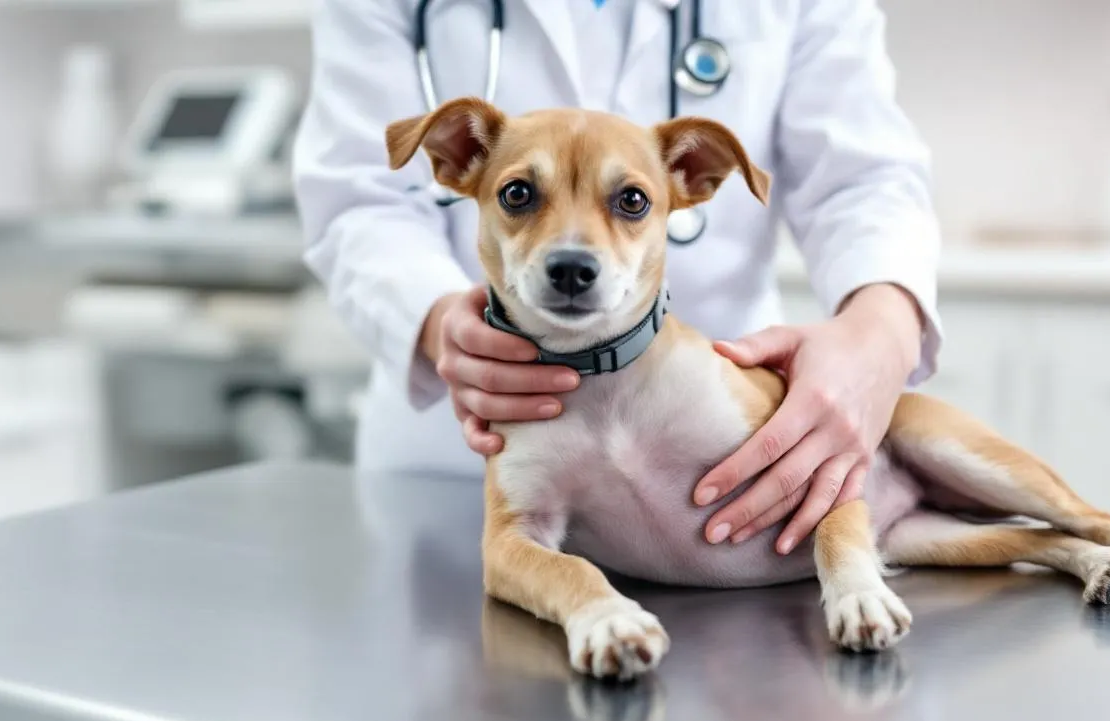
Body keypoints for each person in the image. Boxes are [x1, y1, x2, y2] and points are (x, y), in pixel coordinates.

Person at [295, 0, 943, 553]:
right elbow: (358, 193)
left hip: (726, 444)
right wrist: (438, 324)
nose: (576, 247)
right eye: (522, 194)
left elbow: (862, 178)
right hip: (461, 462)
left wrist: (879, 335)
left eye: (629, 201)